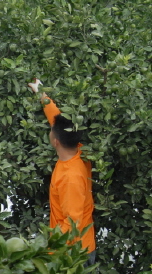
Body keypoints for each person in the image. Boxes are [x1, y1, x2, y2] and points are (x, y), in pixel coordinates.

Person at [28, 78, 96, 261]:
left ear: (56, 141)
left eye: (52, 131)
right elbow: (58, 122)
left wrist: (48, 248)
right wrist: (42, 94)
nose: (51, 130)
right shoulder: (79, 150)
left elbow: (72, 221)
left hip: (72, 253)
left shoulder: (70, 177)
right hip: (78, 246)